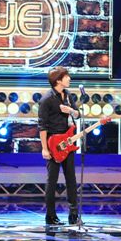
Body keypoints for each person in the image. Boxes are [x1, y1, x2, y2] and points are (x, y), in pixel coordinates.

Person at [38, 66, 80, 225]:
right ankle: (50, 215)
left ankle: (73, 214)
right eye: (66, 76)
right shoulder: (46, 99)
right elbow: (42, 126)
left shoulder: (68, 95)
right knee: (52, 180)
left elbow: (77, 114)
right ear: (58, 80)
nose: (69, 78)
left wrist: (69, 109)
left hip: (68, 143)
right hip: (53, 144)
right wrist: (44, 148)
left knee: (71, 178)